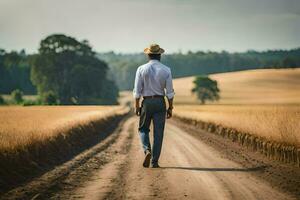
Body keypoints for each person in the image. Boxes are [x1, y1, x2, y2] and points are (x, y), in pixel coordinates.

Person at [133, 44, 175, 168]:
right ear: (159, 55)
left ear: (148, 55)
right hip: (160, 102)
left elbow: (137, 90)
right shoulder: (166, 70)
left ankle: (147, 150)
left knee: (143, 129)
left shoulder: (141, 69)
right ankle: (154, 162)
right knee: (159, 133)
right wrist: (170, 108)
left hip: (146, 102)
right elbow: (170, 92)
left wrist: (137, 106)